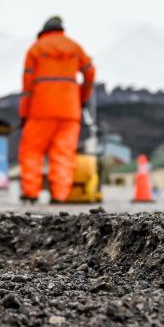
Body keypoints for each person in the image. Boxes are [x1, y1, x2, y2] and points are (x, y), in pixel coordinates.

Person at [18, 16, 95, 204]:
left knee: (32, 151)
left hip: (40, 109)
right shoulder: (75, 47)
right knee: (63, 153)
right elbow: (90, 72)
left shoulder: (36, 49)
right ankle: (59, 195)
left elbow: (27, 87)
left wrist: (24, 113)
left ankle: (31, 192)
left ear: (43, 31)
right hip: (70, 110)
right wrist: (82, 98)